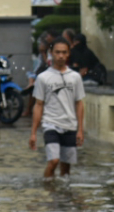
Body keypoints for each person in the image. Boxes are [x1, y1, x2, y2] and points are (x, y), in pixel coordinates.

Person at [28, 39, 86, 178]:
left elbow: (79, 103)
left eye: (64, 52)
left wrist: (80, 130)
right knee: (54, 161)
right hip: (50, 124)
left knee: (66, 168)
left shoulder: (75, 77)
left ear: (68, 54)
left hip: (70, 125)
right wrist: (34, 133)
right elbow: (38, 105)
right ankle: (48, 189)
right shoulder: (43, 78)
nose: (60, 55)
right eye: (57, 52)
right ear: (51, 53)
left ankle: (62, 197)